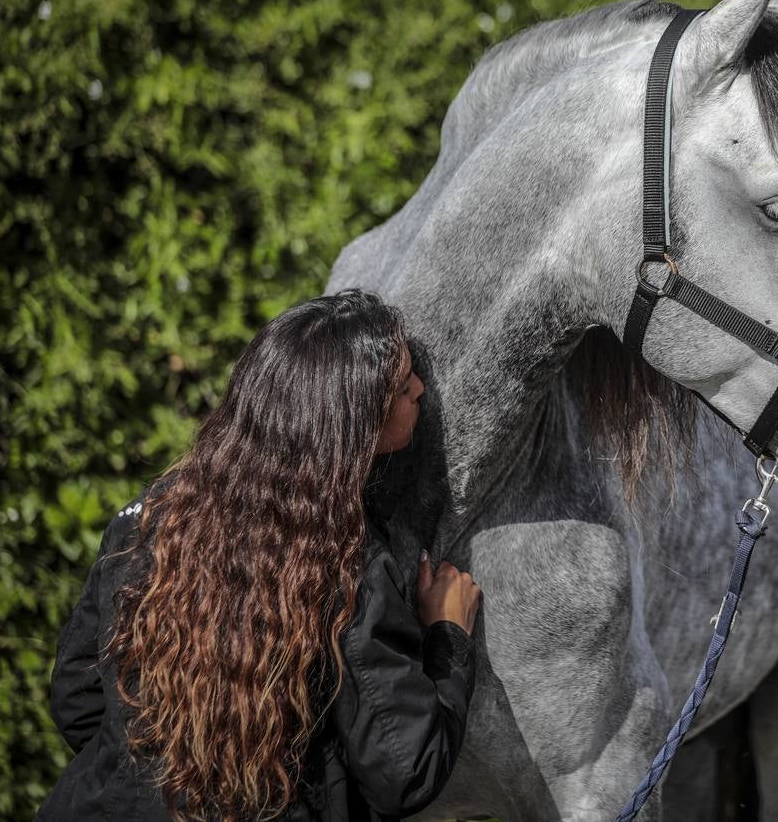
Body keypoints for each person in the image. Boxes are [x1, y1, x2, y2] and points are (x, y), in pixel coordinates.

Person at [36, 289, 482, 821]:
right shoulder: (346, 567)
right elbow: (404, 771)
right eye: (405, 386)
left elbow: (77, 700)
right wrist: (448, 638)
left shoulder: (153, 515)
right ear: (353, 429)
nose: (422, 390)